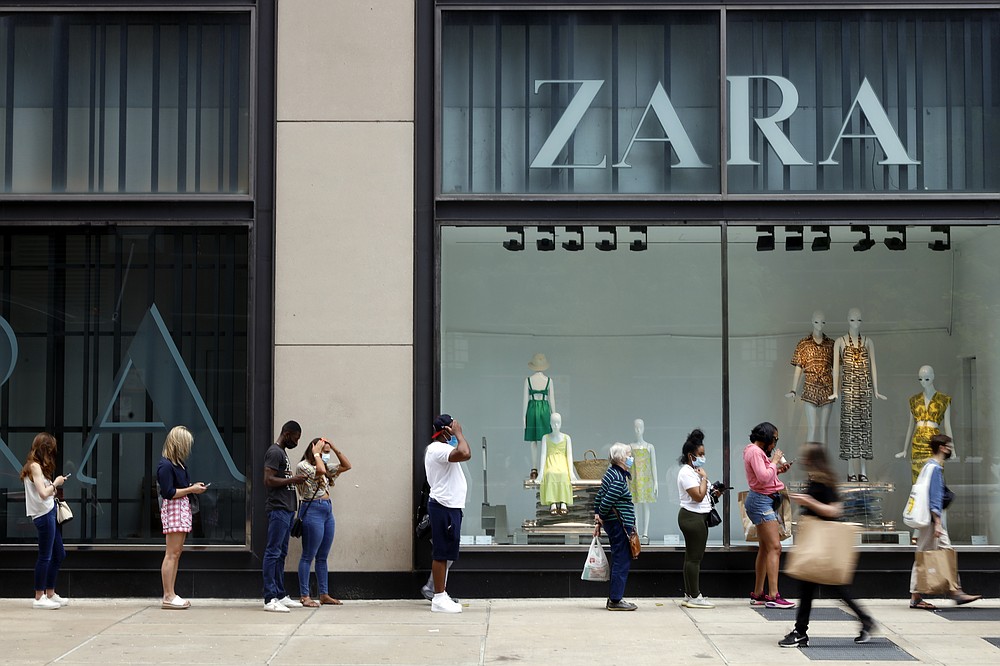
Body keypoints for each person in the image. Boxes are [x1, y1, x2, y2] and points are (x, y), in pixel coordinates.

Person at [780, 443, 875, 647]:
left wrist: (808, 502)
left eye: (806, 457)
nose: (802, 460)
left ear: (813, 459)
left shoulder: (824, 481)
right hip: (815, 540)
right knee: (822, 588)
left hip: (821, 542)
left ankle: (801, 632)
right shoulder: (815, 478)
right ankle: (864, 621)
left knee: (819, 588)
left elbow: (835, 510)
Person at [908, 434, 981, 610]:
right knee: (924, 556)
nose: (950, 449)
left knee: (944, 552)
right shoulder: (934, 468)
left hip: (929, 521)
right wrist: (938, 523)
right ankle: (918, 596)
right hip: (932, 522)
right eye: (949, 446)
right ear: (942, 447)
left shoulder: (927, 467)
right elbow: (935, 497)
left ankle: (955, 591)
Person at [829, 308, 887, 481]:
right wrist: (835, 391)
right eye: (853, 320)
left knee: (864, 431)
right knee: (849, 430)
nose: (856, 323)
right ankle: (850, 471)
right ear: (847, 320)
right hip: (848, 391)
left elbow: (873, 366)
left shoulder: (868, 342)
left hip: (864, 391)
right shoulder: (840, 342)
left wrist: (876, 390)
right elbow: (836, 370)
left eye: (859, 320)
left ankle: (863, 471)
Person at [743, 422, 795, 608]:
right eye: (774, 439)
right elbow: (764, 478)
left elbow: (764, 476)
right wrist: (774, 461)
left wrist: (778, 470)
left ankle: (758, 593)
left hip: (762, 500)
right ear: (765, 438)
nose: (775, 444)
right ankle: (773, 596)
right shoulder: (755, 452)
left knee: (765, 548)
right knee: (775, 547)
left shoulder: (754, 452)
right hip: (761, 501)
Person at [295, 437, 352, 607]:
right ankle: (305, 595)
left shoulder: (324, 464)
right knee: (308, 555)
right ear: (314, 450)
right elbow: (319, 469)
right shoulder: (304, 466)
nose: (326, 456)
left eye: (327, 452)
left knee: (322, 556)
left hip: (327, 509)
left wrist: (333, 448)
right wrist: (317, 454)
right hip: (312, 509)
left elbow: (347, 465)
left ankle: (324, 594)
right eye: (324, 451)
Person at [157, 425, 208, 610]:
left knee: (176, 553)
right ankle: (168, 595)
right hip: (174, 508)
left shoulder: (178, 464)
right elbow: (168, 492)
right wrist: (191, 489)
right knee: (172, 553)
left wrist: (192, 488)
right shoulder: (166, 465)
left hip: (181, 507)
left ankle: (171, 593)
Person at [424, 413, 471, 613]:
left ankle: (441, 593)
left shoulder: (442, 448)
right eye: (453, 427)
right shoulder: (438, 449)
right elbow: (465, 453)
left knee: (447, 552)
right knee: (442, 553)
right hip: (443, 506)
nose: (457, 429)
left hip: (450, 506)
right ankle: (438, 597)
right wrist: (459, 435)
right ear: (445, 431)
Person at [262, 420, 308, 613]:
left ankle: (280, 594)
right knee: (273, 553)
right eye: (296, 438)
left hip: (287, 510)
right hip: (278, 508)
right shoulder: (274, 452)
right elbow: (268, 480)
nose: (297, 443)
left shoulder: (282, 453)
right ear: (287, 434)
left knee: (281, 554)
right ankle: (269, 597)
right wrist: (294, 479)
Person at [20, 432, 69, 609]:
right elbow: (42, 493)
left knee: (59, 554)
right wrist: (56, 483)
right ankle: (39, 597)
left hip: (49, 513)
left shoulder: (36, 467)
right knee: (45, 556)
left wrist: (53, 487)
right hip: (44, 515)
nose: (51, 455)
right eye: (50, 450)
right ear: (44, 449)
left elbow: (44, 492)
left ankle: (50, 592)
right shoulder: (34, 466)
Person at [676, 428, 718, 609]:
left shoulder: (695, 471)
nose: (703, 457)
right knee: (695, 558)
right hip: (692, 518)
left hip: (698, 517)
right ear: (690, 455)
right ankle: (695, 595)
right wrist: (705, 478)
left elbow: (705, 494)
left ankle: (689, 593)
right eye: (700, 454)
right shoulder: (686, 473)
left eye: (704, 454)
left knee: (690, 557)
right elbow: (698, 496)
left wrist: (715, 491)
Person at [593, 442, 638, 611]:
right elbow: (605, 503)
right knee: (622, 560)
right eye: (628, 455)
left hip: (614, 524)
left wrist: (598, 517)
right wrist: (602, 516)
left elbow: (598, 499)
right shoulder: (619, 479)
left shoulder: (610, 473)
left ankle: (615, 597)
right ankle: (615, 600)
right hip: (619, 525)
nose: (630, 458)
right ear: (620, 459)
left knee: (619, 558)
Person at [896, 366, 953, 483]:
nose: (923, 382)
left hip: (935, 443)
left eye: (926, 379)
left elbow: (947, 425)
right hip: (917, 444)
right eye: (920, 379)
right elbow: (910, 426)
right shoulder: (914, 400)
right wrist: (905, 449)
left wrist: (952, 448)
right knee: (918, 480)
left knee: (935, 478)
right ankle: (918, 501)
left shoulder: (944, 400)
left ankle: (934, 500)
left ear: (933, 377)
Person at [786, 311, 835, 445]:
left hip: (827, 389)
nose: (820, 325)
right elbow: (798, 367)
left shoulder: (831, 344)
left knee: (824, 429)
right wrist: (793, 390)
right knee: (812, 428)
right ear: (812, 321)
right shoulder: (803, 344)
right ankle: (811, 462)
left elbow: (836, 369)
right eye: (817, 321)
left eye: (823, 322)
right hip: (810, 388)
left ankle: (823, 463)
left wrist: (837, 390)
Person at [537, 412, 579, 515]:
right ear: (550, 423)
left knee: (564, 475)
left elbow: (569, 455)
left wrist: (571, 472)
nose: (556, 425)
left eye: (558, 423)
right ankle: (553, 502)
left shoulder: (566, 438)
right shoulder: (545, 437)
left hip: (562, 463)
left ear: (561, 423)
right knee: (550, 474)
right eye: (554, 423)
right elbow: (543, 455)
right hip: (550, 462)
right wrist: (541, 472)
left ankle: (563, 501)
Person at [523, 353, 555, 480]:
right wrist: (554, 415)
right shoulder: (548, 381)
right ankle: (543, 467)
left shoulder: (528, 380)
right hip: (545, 409)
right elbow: (552, 400)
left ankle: (534, 468)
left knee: (533, 441)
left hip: (531, 409)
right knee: (545, 439)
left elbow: (525, 401)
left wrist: (524, 417)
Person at [630, 418, 658, 542]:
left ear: (644, 428)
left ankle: (645, 533)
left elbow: (653, 465)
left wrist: (656, 482)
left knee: (646, 505)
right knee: (635, 506)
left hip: (646, 481)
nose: (638, 430)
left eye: (640, 427)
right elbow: (628, 464)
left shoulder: (650, 447)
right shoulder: (630, 447)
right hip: (634, 479)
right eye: (636, 427)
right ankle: (637, 532)